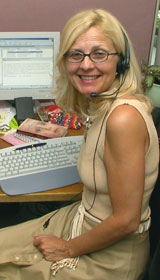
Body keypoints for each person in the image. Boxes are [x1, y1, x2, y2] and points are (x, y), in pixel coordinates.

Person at [0, 9, 159, 280]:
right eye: (76, 54)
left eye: (99, 54)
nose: (86, 65)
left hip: (110, 254)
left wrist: (67, 248)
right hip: (81, 219)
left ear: (121, 61)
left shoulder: (122, 119)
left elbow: (126, 221)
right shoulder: (103, 105)